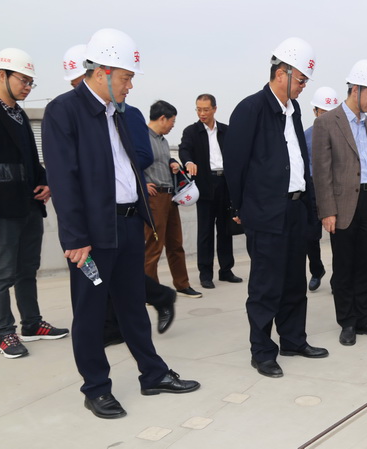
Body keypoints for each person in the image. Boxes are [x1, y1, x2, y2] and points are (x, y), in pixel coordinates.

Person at [42, 28, 199, 419]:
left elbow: (128, 166)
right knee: (91, 313)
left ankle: (153, 375)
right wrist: (75, 237)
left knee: (132, 307)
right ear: (103, 73)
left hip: (128, 225)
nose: (131, 86)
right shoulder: (64, 111)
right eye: (127, 77)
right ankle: (96, 388)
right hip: (93, 236)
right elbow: (63, 178)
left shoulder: (120, 114)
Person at [223, 37, 329, 378]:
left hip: (296, 210)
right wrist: (240, 208)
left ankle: (294, 340)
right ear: (282, 72)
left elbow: (299, 161)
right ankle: (262, 351)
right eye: (301, 80)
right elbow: (235, 165)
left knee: (294, 282)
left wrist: (309, 206)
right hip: (266, 213)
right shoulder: (250, 109)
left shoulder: (293, 111)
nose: (303, 87)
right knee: (266, 286)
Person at [0, 48, 68, 359]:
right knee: (2, 273)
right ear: (2, 75)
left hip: (29, 205)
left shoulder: (19, 116)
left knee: (27, 269)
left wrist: (46, 182)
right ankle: (5, 333)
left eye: (31, 82)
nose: (28, 87)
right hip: (2, 210)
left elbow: (32, 159)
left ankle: (32, 324)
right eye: (23, 80)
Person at [312, 59, 367, 346]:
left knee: (365, 263)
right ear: (355, 89)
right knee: (344, 265)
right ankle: (346, 321)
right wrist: (327, 211)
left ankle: (363, 318)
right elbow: (322, 172)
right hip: (342, 204)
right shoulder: (326, 123)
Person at [179, 94, 241, 289]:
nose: (202, 113)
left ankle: (226, 270)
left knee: (225, 230)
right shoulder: (191, 131)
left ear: (214, 109)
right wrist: (188, 162)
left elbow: (236, 154)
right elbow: (184, 150)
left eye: (206, 109)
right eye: (198, 109)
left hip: (225, 184)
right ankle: (205, 274)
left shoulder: (226, 131)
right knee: (205, 232)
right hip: (205, 185)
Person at [144, 100, 202, 299]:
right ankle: (150, 291)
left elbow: (161, 161)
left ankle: (182, 284)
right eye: (172, 121)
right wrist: (142, 183)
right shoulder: (141, 137)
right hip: (154, 198)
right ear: (162, 118)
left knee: (175, 244)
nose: (172, 126)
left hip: (170, 197)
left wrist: (172, 163)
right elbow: (130, 163)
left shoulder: (162, 140)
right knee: (153, 246)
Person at [303, 86, 340, 291]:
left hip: (335, 191)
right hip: (311, 190)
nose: (326, 117)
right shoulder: (306, 136)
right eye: (322, 112)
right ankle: (317, 270)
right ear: (315, 111)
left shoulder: (342, 136)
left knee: (338, 237)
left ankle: (338, 279)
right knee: (310, 236)